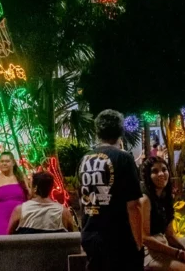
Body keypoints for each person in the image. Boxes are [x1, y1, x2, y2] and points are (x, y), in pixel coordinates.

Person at [78, 109, 144, 271]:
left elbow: (82, 202)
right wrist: (139, 244)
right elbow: (133, 206)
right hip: (118, 239)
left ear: (98, 131)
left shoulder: (84, 159)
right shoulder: (124, 158)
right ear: (120, 132)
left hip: (91, 236)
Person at [8, 171, 75, 234]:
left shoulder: (20, 210)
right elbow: (72, 234)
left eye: (30, 186)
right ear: (50, 188)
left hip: (29, 246)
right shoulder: (63, 212)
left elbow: (10, 234)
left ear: (35, 188)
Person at [0, 151, 29, 235]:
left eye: (7, 161)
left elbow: (29, 197)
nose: (4, 163)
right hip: (0, 220)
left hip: (21, 220)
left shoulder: (22, 178)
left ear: (13, 163)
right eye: (2, 161)